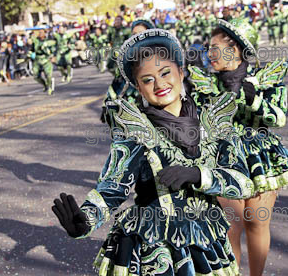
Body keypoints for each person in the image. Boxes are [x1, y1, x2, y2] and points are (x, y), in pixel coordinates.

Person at [52, 28, 261, 275]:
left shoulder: (212, 120)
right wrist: (85, 221)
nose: (159, 84)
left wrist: (198, 175)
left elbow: (244, 183)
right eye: (148, 79)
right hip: (153, 246)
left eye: (165, 73)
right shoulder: (135, 131)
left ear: (181, 73)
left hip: (204, 240)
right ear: (139, 88)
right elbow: (112, 188)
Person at [186, 18, 288, 275]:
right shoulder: (207, 84)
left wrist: (251, 97)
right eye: (209, 47)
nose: (210, 53)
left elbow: (279, 118)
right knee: (230, 225)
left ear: (236, 49)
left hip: (260, 158)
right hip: (222, 159)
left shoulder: (263, 80)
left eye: (216, 47)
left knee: (256, 223)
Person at [30, 30, 54, 95]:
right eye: (39, 32)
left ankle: (50, 87)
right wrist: (29, 56)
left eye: (41, 33)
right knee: (36, 76)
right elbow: (31, 50)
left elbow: (53, 49)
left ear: (44, 34)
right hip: (37, 60)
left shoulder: (48, 41)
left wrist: (52, 56)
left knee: (48, 75)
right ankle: (45, 84)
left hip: (46, 59)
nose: (40, 34)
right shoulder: (36, 41)